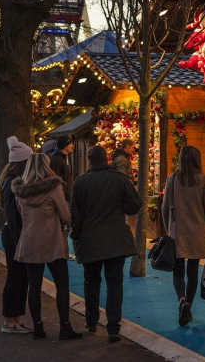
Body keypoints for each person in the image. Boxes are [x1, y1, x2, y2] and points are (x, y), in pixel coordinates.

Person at [70, 146, 142, 342]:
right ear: (106, 159)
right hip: (115, 239)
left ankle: (91, 322)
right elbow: (135, 204)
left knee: (91, 282)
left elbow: (75, 215)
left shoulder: (80, 183)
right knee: (114, 284)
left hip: (90, 240)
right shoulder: (119, 179)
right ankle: (113, 327)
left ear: (89, 161)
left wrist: (76, 236)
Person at [11, 153, 82, 340]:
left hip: (29, 242)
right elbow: (66, 217)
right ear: (46, 166)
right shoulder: (53, 188)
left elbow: (20, 215)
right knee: (62, 285)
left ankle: (38, 328)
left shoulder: (20, 191)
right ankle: (65, 327)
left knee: (34, 286)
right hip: (52, 243)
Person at [161, 146, 205, 327]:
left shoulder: (172, 180)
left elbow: (164, 207)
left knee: (177, 271)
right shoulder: (203, 180)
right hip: (197, 232)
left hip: (177, 232)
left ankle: (182, 300)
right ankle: (189, 307)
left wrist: (167, 228)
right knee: (192, 272)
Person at [0, 137, 32, 334]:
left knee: (19, 276)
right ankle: (9, 321)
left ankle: (15, 319)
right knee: (15, 276)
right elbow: (12, 215)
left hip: (14, 235)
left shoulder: (10, 180)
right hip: (14, 236)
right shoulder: (12, 182)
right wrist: (19, 238)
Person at [111, 138, 137, 237]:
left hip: (122, 192)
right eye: (133, 147)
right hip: (122, 194)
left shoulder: (121, 158)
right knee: (122, 219)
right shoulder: (121, 160)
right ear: (127, 147)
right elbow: (122, 177)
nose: (134, 149)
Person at [49, 135, 74, 203]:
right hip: (62, 196)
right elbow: (56, 177)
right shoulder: (57, 159)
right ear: (65, 146)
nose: (72, 145)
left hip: (66, 195)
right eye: (70, 144)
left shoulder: (65, 157)